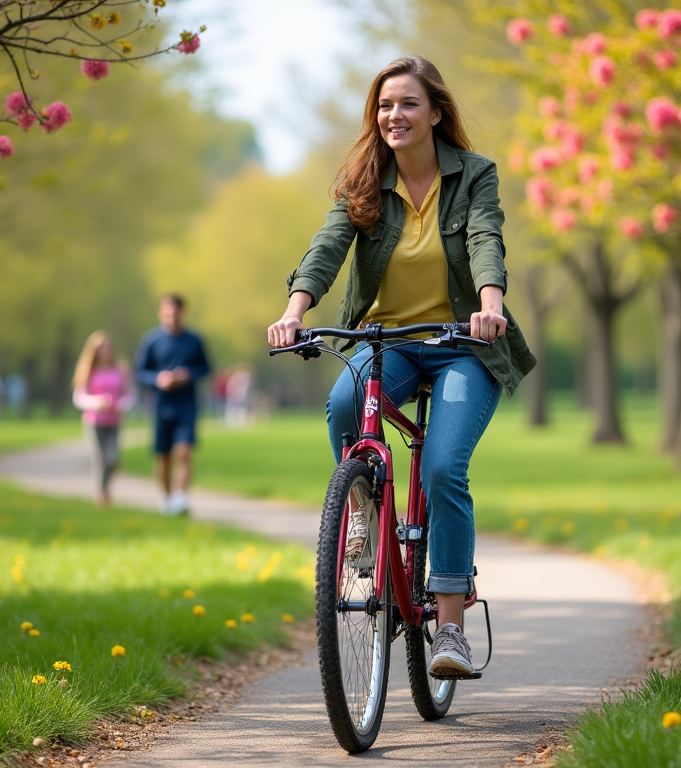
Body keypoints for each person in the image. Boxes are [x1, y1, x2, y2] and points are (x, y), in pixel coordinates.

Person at [268, 57, 536, 677]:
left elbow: (484, 238)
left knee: (443, 466)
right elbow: (328, 245)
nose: (396, 115)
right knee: (342, 405)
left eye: (409, 103)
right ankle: (361, 518)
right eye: (386, 105)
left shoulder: (474, 175)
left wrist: (489, 305)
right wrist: (294, 310)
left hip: (463, 342)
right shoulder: (363, 179)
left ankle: (449, 629)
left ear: (436, 112)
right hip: (387, 339)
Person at [134, 295, 211, 515]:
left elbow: (205, 368)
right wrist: (158, 379)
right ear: (160, 313)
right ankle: (166, 499)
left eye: (176, 313)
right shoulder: (151, 340)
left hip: (187, 404)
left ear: (182, 313)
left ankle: (180, 499)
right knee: (164, 455)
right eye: (167, 313)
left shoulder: (194, 340)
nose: (172, 317)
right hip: (160, 405)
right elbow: (140, 372)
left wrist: (189, 375)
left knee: (185, 452)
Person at [73, 332, 135, 507]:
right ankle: (101, 494)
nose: (106, 351)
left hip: (114, 421)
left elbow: (130, 394)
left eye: (109, 347)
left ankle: (105, 487)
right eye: (102, 348)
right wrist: (95, 402)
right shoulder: (88, 370)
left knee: (113, 459)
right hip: (94, 421)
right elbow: (78, 396)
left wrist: (122, 405)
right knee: (100, 459)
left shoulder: (121, 368)